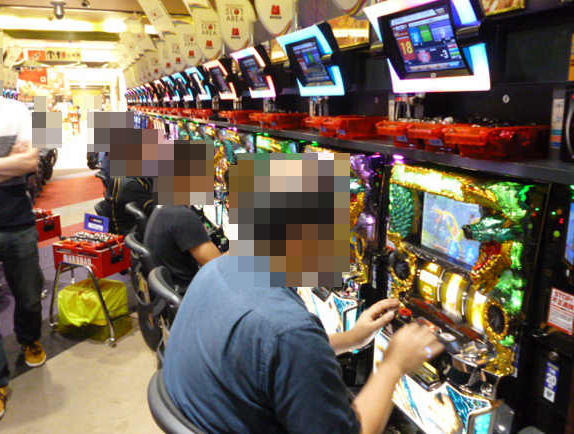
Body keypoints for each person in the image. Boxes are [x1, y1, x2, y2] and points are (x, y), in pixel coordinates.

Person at [163, 153, 444, 434]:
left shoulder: (215, 270)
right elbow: (287, 343)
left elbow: (272, 355)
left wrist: (354, 338)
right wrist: (393, 365)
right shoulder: (289, 330)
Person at [0, 90, 47, 421]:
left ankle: (30, 339)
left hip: (18, 222)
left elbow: (30, 163)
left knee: (30, 298)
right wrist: (8, 165)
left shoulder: (17, 110)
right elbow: (18, 165)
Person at [144, 205, 221, 293]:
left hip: (167, 287)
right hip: (186, 291)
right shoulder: (182, 216)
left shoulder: (164, 207)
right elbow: (218, 266)